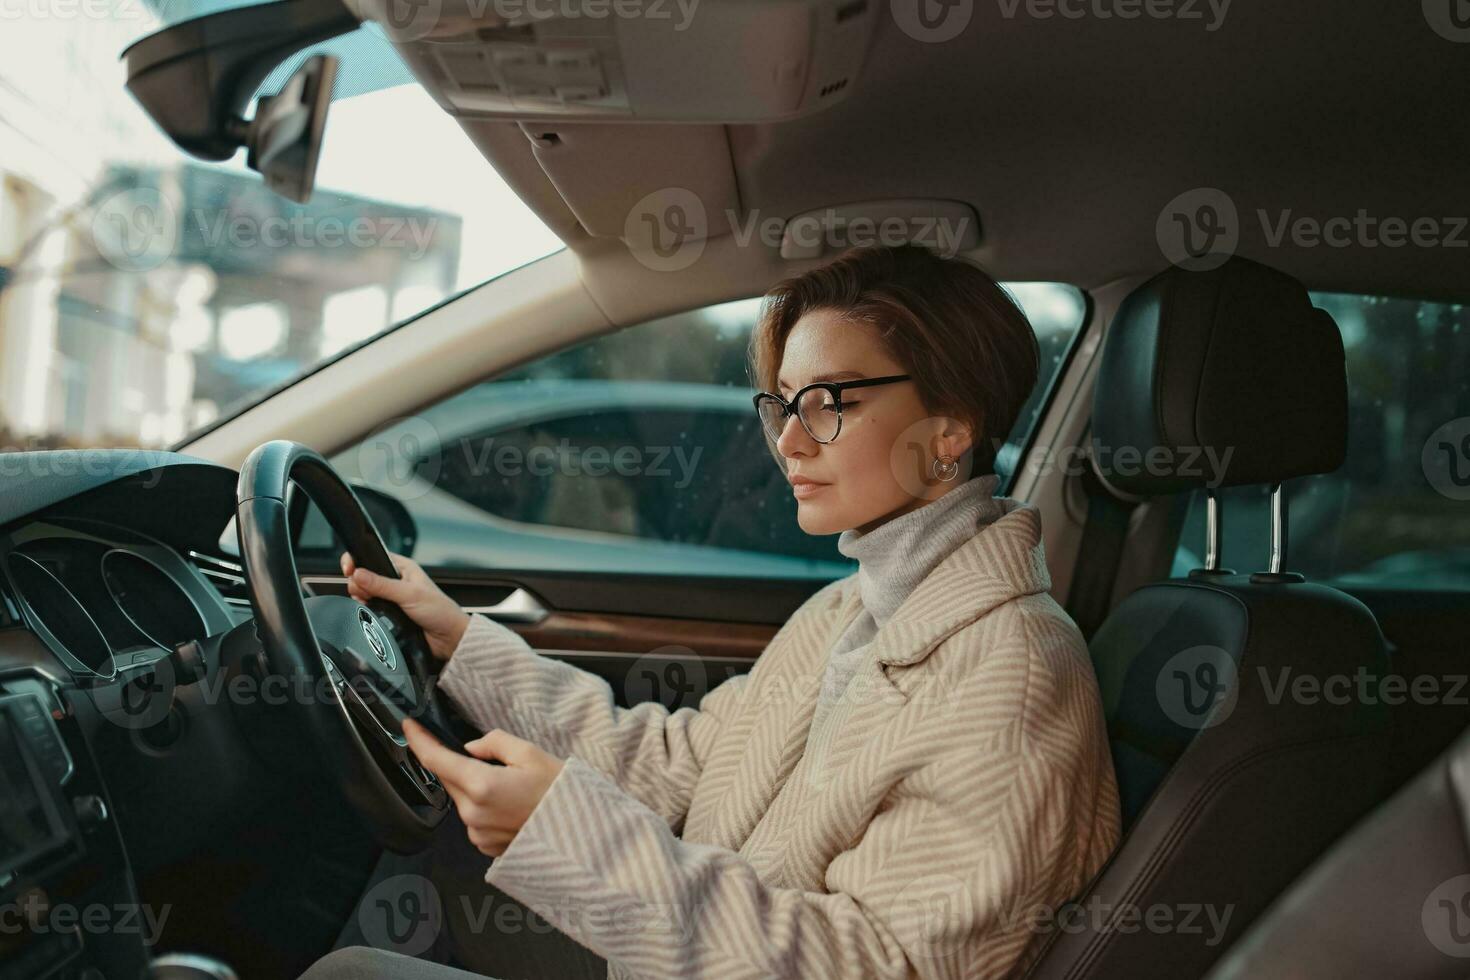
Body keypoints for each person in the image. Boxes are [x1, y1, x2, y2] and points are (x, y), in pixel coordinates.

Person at [302, 244, 1120, 980]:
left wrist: (576, 844)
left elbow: (876, 967)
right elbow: (679, 765)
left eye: (830, 402)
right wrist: (459, 641)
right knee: (429, 868)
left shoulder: (1011, 678)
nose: (790, 443)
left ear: (951, 431)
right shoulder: (849, 608)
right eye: (783, 405)